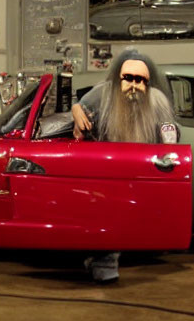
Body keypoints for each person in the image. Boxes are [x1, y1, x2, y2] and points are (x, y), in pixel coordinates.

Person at [70, 48, 180, 283]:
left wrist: (169, 141)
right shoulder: (104, 93)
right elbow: (80, 106)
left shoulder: (157, 101)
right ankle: (104, 263)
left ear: (148, 82)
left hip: (142, 172)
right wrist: (77, 113)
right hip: (108, 171)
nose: (133, 85)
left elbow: (171, 132)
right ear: (119, 78)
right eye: (128, 78)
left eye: (140, 80)